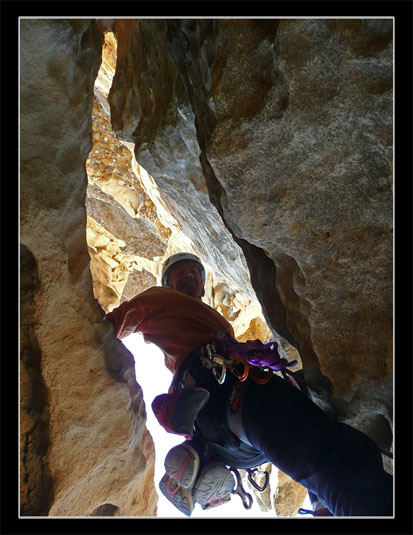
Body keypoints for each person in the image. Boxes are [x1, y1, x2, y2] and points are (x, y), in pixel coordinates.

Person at [103, 253, 393, 517]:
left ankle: (319, 503)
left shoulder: (220, 325)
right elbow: (123, 319)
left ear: (203, 285)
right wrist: (100, 332)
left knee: (327, 441)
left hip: (236, 422)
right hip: (233, 397)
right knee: (337, 462)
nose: (190, 275)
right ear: (169, 282)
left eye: (195, 272)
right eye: (181, 272)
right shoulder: (162, 300)